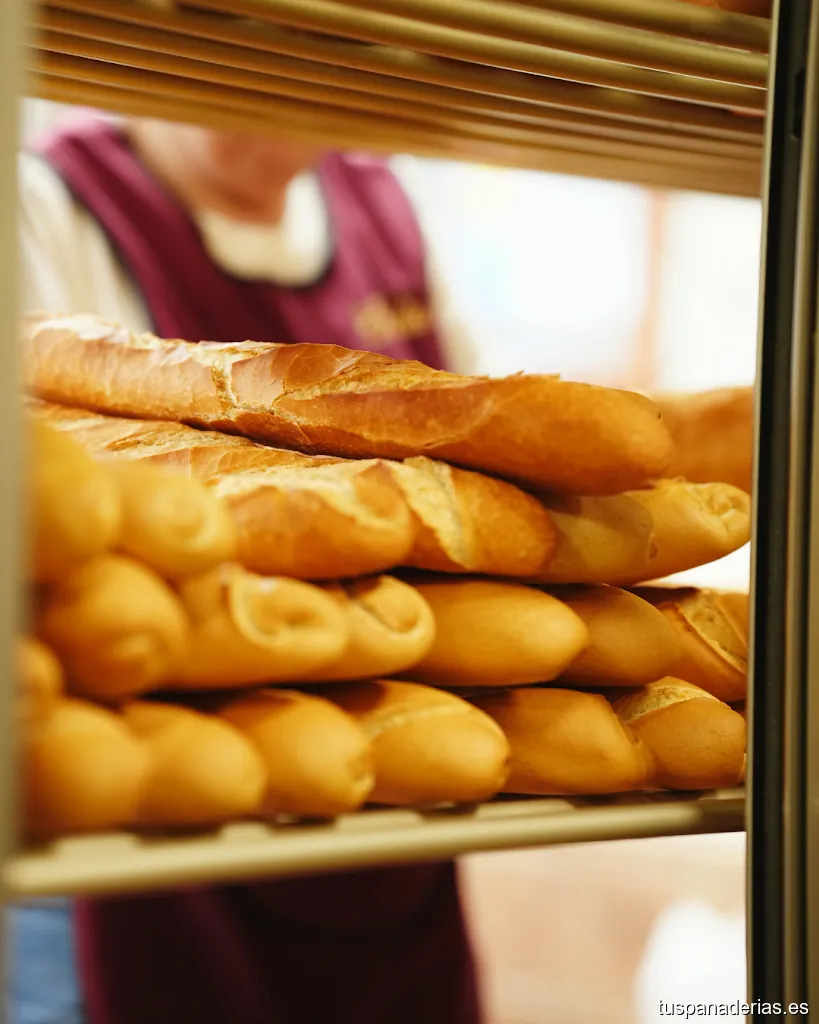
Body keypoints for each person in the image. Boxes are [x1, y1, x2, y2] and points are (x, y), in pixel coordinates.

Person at [13, 110, 482, 1024]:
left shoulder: (386, 207)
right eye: (233, 22)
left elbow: (474, 495)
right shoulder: (47, 200)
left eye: (317, 33)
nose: (273, 64)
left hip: (396, 786)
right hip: (132, 816)